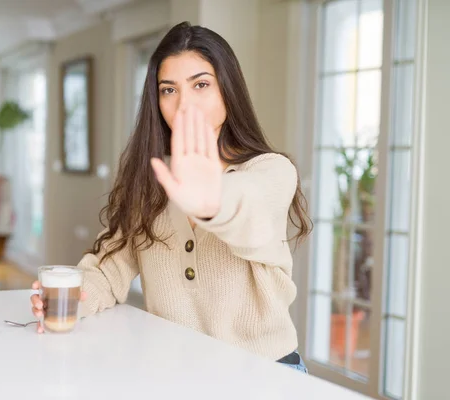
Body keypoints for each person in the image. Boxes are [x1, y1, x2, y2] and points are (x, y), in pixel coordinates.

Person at [30, 21, 312, 373]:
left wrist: (210, 201)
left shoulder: (271, 171)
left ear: (229, 88)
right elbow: (107, 270)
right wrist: (72, 298)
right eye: (169, 90)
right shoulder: (149, 183)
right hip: (177, 376)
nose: (184, 104)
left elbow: (247, 207)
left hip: (267, 377)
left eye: (201, 84)